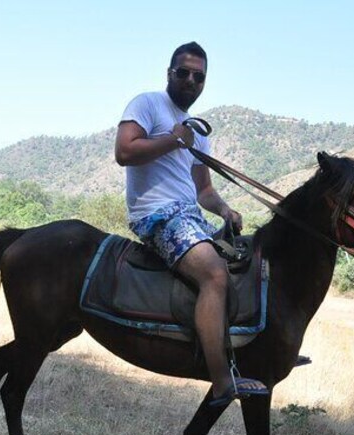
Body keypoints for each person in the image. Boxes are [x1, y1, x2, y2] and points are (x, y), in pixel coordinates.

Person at [114, 41, 268, 406]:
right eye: (183, 72)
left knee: (246, 265)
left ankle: (257, 353)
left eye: (198, 76)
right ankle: (220, 381)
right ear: (169, 73)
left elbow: (204, 190)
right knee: (214, 274)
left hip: (189, 214)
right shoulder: (147, 104)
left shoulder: (198, 133)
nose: (190, 80)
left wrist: (225, 210)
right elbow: (124, 152)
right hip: (156, 214)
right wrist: (172, 140)